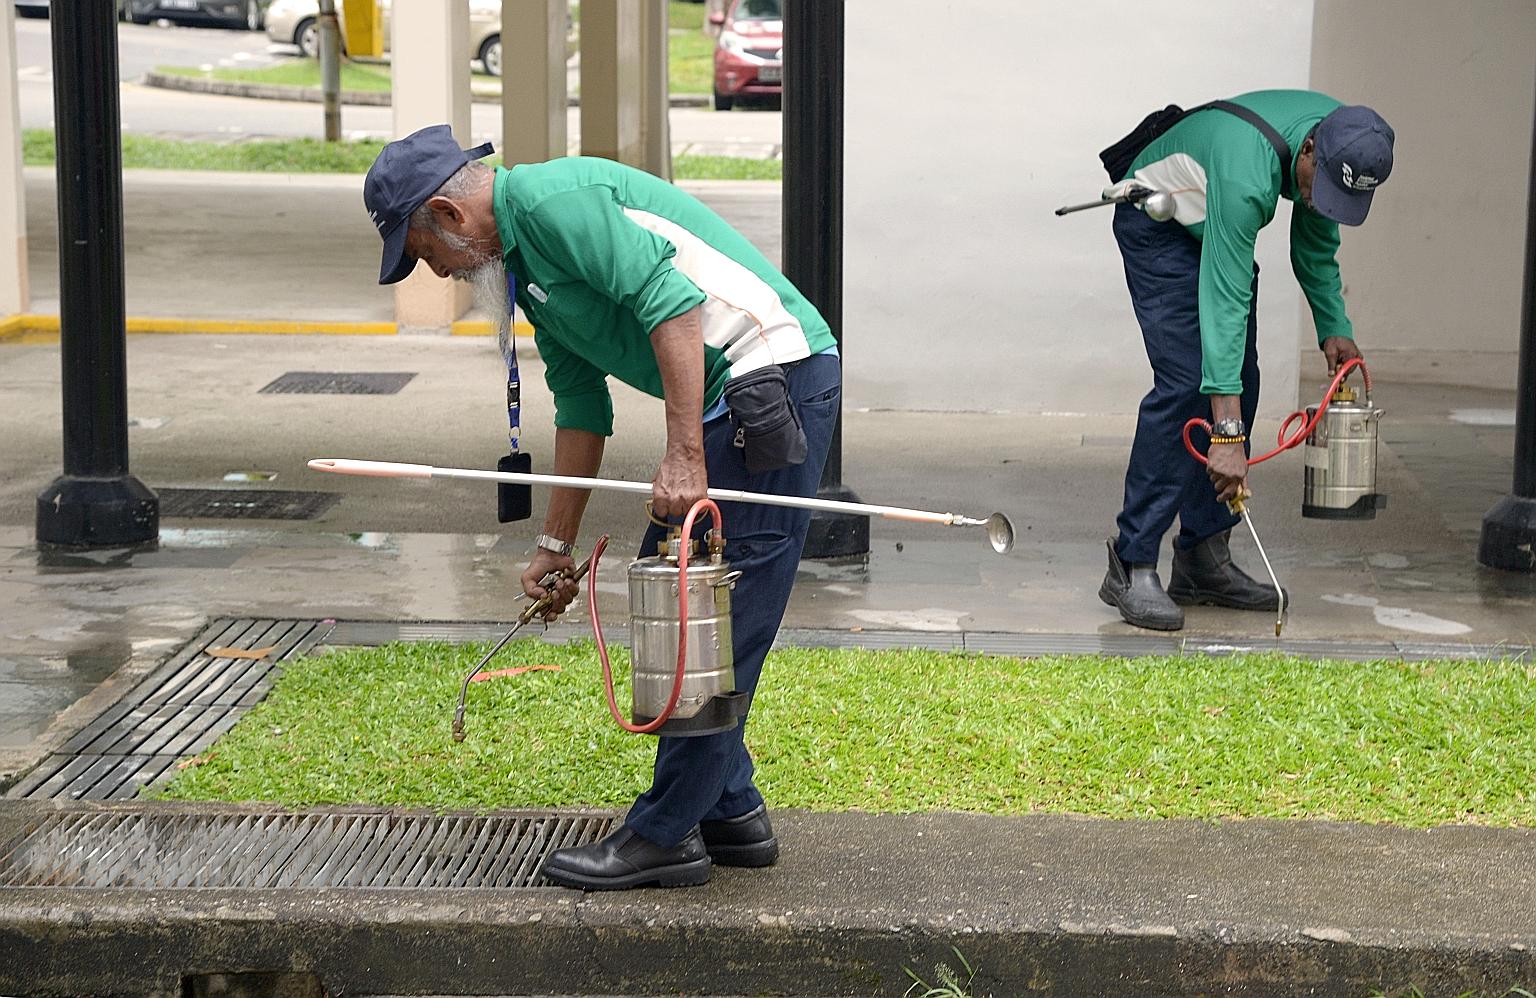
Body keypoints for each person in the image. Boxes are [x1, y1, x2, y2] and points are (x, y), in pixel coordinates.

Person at [363, 125, 841, 889]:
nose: (442, 274)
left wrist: (686, 453)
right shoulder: (524, 266)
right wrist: (555, 545)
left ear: (450, 217)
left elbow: (673, 305)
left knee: (700, 613)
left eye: (426, 256)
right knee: (679, 603)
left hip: (771, 379)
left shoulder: (558, 203)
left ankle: (666, 834)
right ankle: (731, 812)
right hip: (732, 397)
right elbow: (581, 406)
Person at [1095, 91, 1394, 631]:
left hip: (1207, 222)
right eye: (1318, 187)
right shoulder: (1247, 172)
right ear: (1308, 153)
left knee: (1241, 383)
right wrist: (1227, 436)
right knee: (1190, 383)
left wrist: (1335, 329)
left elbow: (1315, 243)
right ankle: (1132, 562)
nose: (1320, 200)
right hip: (1158, 226)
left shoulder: (1338, 139)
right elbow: (1224, 298)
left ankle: (1202, 558)